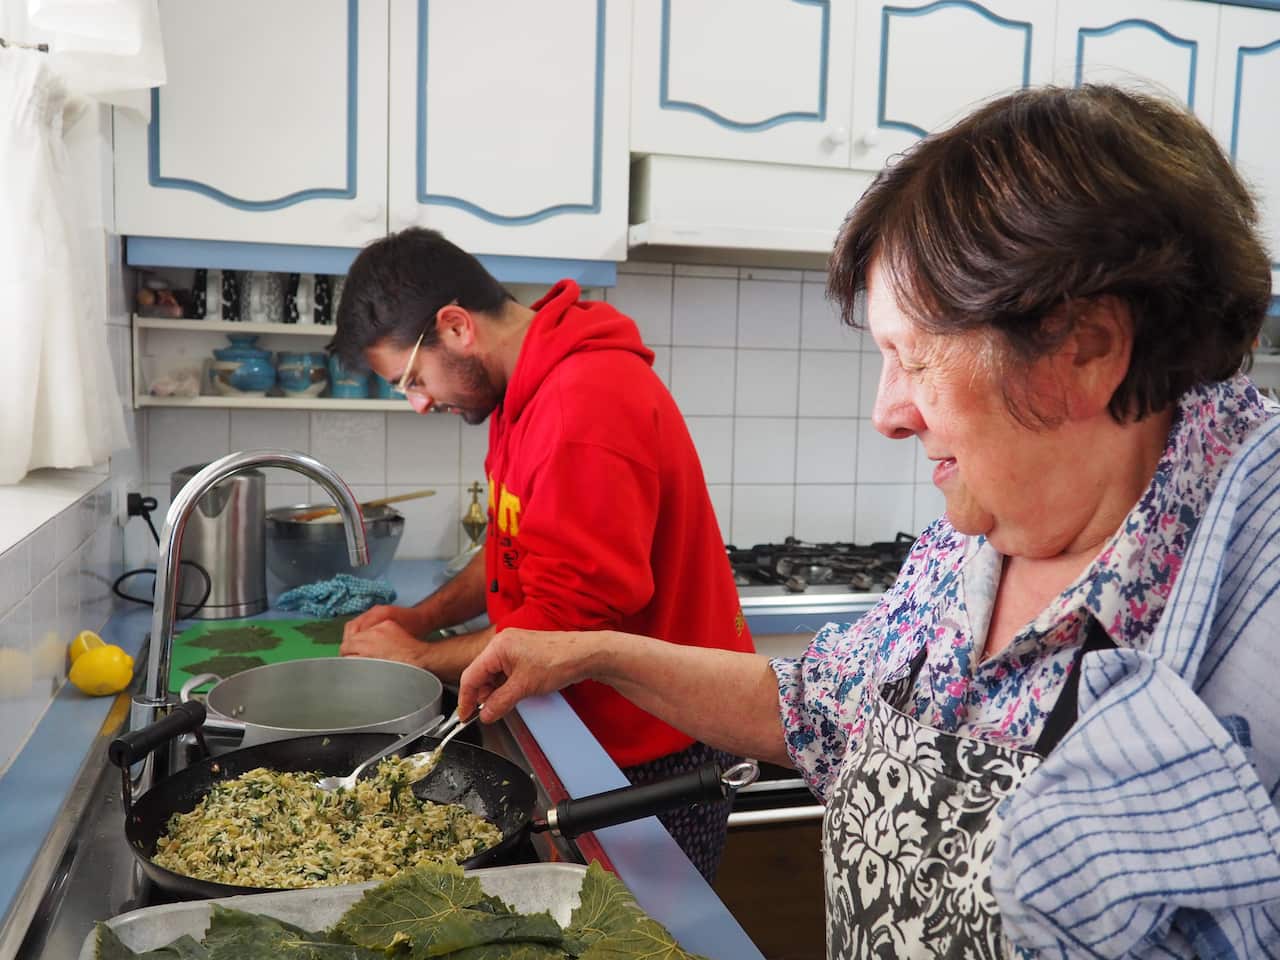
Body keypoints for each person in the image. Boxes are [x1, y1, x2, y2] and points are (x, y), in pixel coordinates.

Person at [456, 84, 1280, 958]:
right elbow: (821, 709)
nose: (888, 413)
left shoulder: (1251, 602)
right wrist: (594, 654)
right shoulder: (970, 543)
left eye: (913, 359)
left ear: (1084, 348)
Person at [328, 228, 754, 881]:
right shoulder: (517, 392)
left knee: (647, 944)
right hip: (585, 729)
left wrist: (417, 660)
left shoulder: (586, 400)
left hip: (654, 747)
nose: (418, 402)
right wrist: (416, 619)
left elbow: (568, 625)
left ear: (456, 327)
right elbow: (510, 549)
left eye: (413, 378)